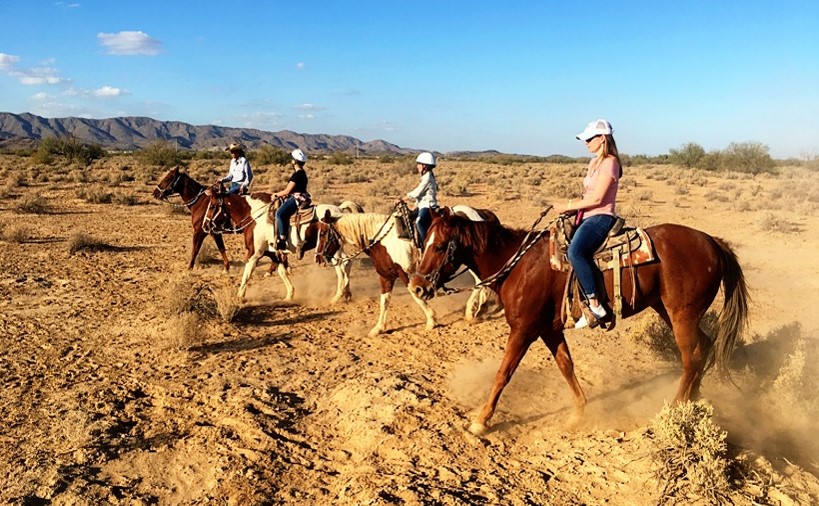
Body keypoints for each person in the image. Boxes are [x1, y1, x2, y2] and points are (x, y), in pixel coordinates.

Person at [558, 119, 622, 329]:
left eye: (589, 138)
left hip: (601, 217)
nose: (585, 142)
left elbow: (597, 199)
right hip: (585, 216)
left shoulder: (610, 162)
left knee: (576, 252)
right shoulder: (594, 162)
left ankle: (595, 305)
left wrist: (568, 204)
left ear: (602, 138)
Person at [397, 152, 439, 248]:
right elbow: (420, 196)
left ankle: (426, 245)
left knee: (419, 222)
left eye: (419, 164)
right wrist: (415, 205)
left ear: (424, 166)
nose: (417, 166)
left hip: (428, 205)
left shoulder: (427, 177)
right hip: (421, 205)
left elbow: (418, 192)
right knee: (407, 217)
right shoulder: (425, 176)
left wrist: (402, 199)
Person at [273, 148, 311, 250]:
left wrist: (276, 195)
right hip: (301, 196)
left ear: (294, 162)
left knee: (279, 214)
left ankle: (282, 239)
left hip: (296, 199)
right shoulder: (302, 173)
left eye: (292, 160)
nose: (291, 161)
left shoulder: (297, 175)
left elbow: (287, 191)